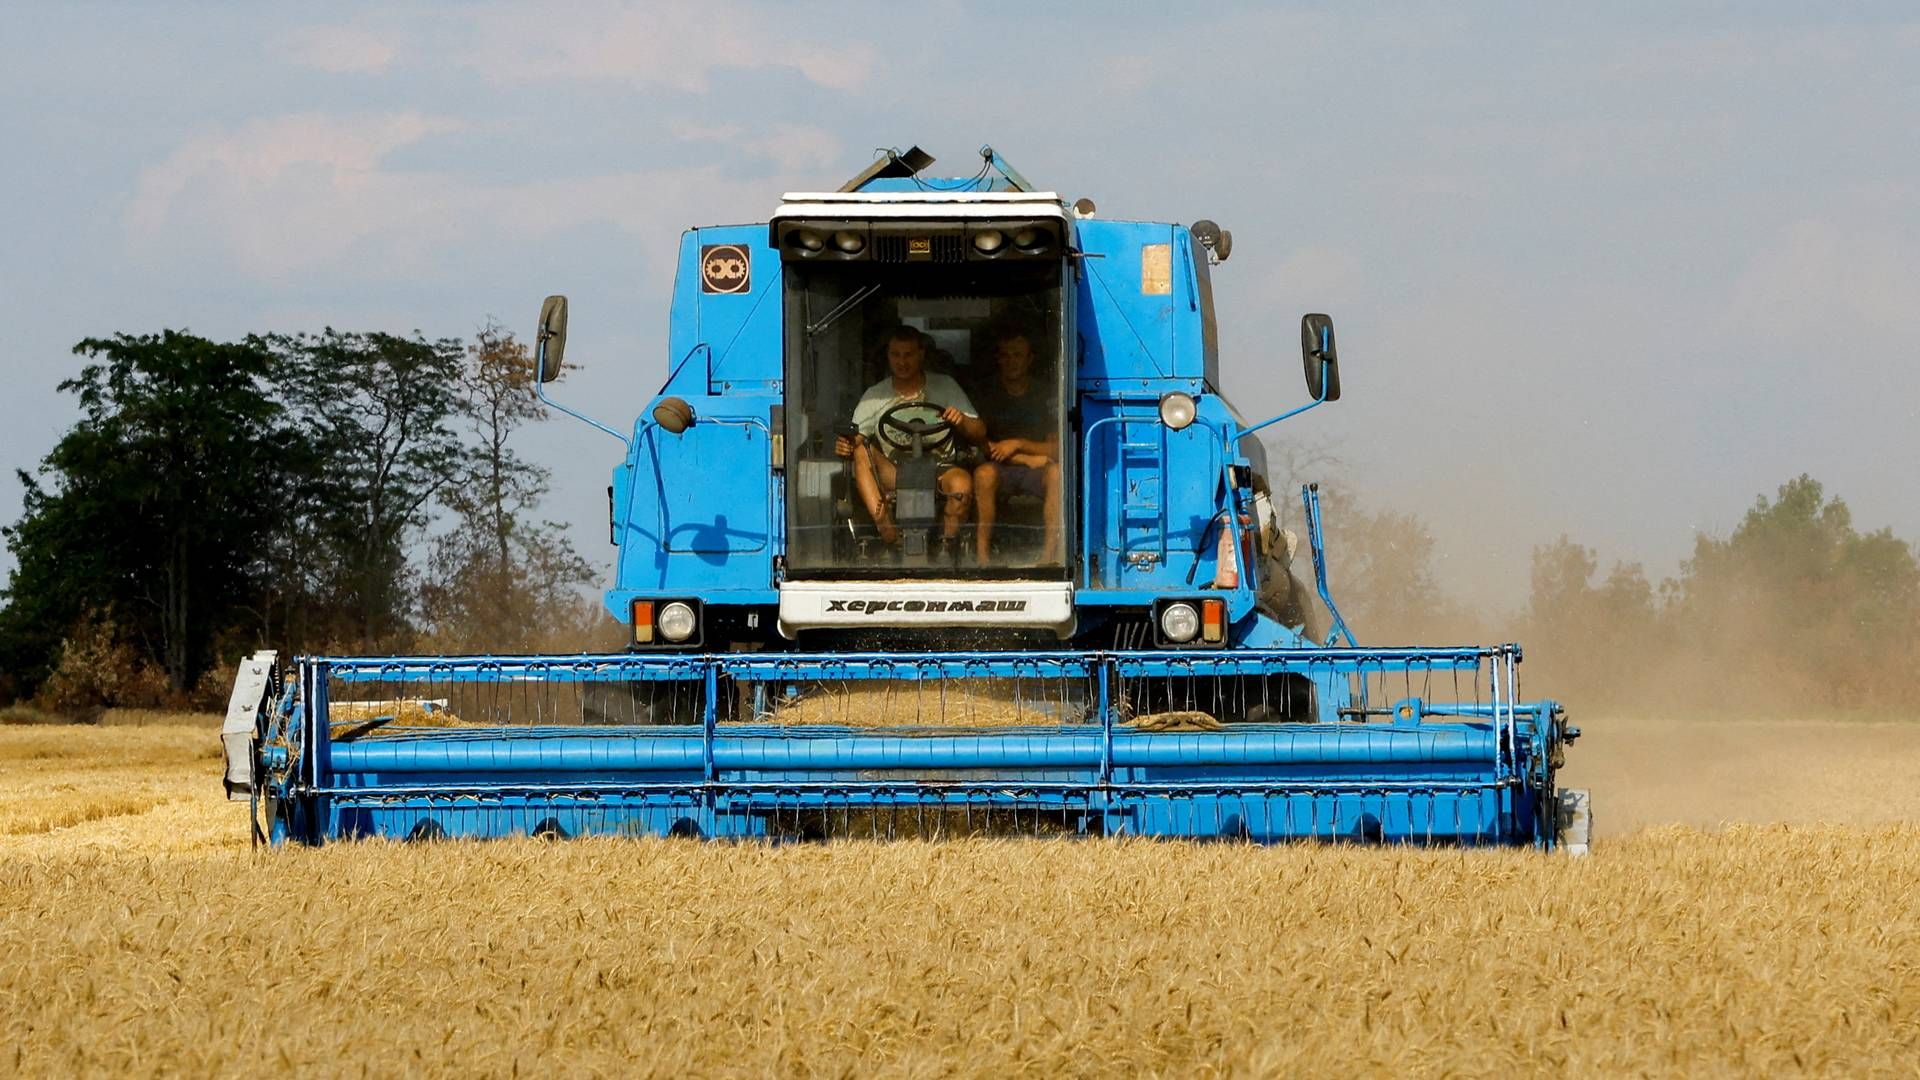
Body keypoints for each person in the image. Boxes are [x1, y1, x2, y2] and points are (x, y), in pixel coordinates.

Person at [834, 326, 985, 545]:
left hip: (939, 469)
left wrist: (961, 420)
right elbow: (855, 437)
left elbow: (980, 432)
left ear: (921, 354)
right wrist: (845, 445)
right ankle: (890, 536)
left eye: (908, 355)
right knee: (860, 450)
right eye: (896, 355)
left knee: (962, 485)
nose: (902, 362)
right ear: (888, 356)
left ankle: (947, 546)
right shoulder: (874, 396)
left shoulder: (946, 386)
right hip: (895, 471)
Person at [970, 328, 1061, 564]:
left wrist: (1017, 443)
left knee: (1057, 474)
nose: (1011, 361)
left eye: (1017, 355)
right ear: (998, 359)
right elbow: (981, 444)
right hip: (1000, 468)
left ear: (1030, 359)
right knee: (983, 474)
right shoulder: (986, 392)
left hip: (1038, 472)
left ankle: (1049, 557)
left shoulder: (1046, 393)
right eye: (1005, 355)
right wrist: (1026, 458)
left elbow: (1057, 449)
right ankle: (983, 559)